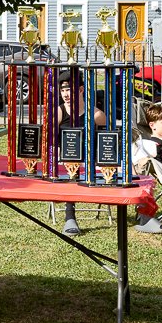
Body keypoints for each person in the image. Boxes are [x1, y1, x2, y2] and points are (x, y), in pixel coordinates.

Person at [57, 70, 107, 237]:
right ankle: (70, 216)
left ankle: (143, 213)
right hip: (67, 161)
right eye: (63, 90)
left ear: (80, 90)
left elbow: (107, 141)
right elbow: (50, 142)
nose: (65, 94)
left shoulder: (95, 114)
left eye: (69, 90)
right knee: (72, 165)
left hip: (91, 161)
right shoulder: (59, 112)